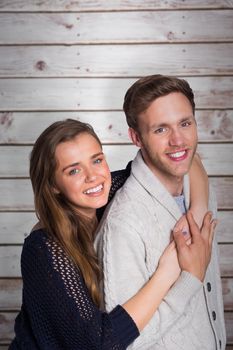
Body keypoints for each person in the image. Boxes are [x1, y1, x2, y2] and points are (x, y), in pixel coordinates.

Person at [9, 119, 215, 350]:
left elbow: (186, 160)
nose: (93, 176)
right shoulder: (44, 250)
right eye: (74, 170)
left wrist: (196, 216)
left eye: (97, 160)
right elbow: (98, 344)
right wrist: (168, 273)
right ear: (53, 185)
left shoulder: (109, 192)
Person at [95, 75, 226, 350]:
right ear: (136, 137)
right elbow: (127, 342)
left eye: (185, 123)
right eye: (160, 130)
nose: (178, 140)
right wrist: (191, 277)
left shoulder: (200, 189)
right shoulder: (124, 222)